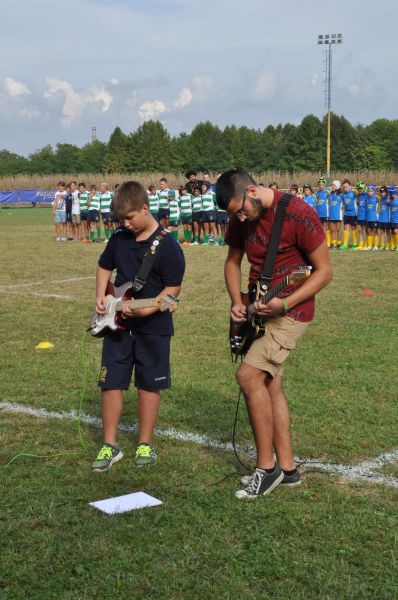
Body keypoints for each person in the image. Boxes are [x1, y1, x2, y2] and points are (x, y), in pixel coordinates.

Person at [216, 167, 332, 499]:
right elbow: (231, 261)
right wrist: (237, 301)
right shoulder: (239, 218)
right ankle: (289, 468)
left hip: (293, 311)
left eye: (240, 210)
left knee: (249, 377)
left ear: (252, 192)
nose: (239, 219)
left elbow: (323, 273)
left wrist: (285, 304)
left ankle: (267, 469)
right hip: (258, 308)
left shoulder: (298, 213)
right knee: (270, 383)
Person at [92, 180, 185, 472]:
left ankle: (145, 442)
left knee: (148, 384)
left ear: (145, 208)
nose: (125, 223)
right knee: (111, 382)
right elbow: (104, 266)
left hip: (153, 328)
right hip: (117, 324)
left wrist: (146, 311)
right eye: (121, 219)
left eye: (130, 217)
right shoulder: (119, 237)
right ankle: (110, 445)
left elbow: (173, 293)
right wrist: (100, 296)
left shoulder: (168, 246)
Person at [341, 179, 358, 249]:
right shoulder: (343, 194)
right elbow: (343, 202)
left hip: (353, 213)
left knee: (354, 228)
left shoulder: (354, 193)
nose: (345, 188)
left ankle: (355, 244)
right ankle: (345, 244)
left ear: (350, 186)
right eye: (344, 187)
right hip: (346, 213)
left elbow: (362, 192)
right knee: (346, 228)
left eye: (346, 186)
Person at [315, 178, 330, 247]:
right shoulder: (316, 193)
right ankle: (321, 242)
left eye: (322, 185)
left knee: (327, 228)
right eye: (319, 185)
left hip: (325, 213)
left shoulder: (327, 192)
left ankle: (328, 242)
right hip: (319, 213)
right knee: (320, 228)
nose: (321, 186)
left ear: (324, 185)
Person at [328, 180, 343, 248]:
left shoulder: (341, 195)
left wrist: (343, 206)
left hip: (338, 214)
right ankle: (333, 243)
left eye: (334, 185)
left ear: (337, 186)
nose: (332, 187)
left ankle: (339, 242)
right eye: (332, 185)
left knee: (338, 229)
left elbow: (344, 202)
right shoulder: (330, 194)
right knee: (332, 229)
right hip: (331, 214)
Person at [364, 184, 379, 251]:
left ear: (374, 191)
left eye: (371, 191)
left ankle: (375, 246)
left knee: (375, 231)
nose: (369, 192)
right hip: (367, 218)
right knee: (368, 231)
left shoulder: (376, 198)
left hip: (374, 218)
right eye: (369, 191)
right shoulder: (366, 198)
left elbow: (385, 196)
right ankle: (369, 246)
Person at [356, 182, 368, 251]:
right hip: (359, 216)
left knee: (366, 231)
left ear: (363, 188)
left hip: (365, 216)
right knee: (360, 230)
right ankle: (361, 244)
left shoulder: (367, 195)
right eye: (358, 189)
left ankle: (366, 244)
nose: (359, 190)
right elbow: (358, 204)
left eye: (360, 188)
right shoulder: (359, 196)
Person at [378, 186, 390, 250]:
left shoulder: (388, 199)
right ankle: (382, 246)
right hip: (381, 219)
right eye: (381, 192)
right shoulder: (380, 199)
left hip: (387, 219)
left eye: (384, 192)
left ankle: (388, 246)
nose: (382, 193)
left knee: (387, 233)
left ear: (386, 192)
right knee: (382, 233)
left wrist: (389, 197)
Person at [387, 186, 398, 251]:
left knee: (396, 231)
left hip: (397, 220)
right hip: (391, 220)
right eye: (390, 193)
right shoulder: (390, 200)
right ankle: (393, 246)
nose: (391, 195)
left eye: (392, 193)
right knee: (392, 233)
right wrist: (388, 202)